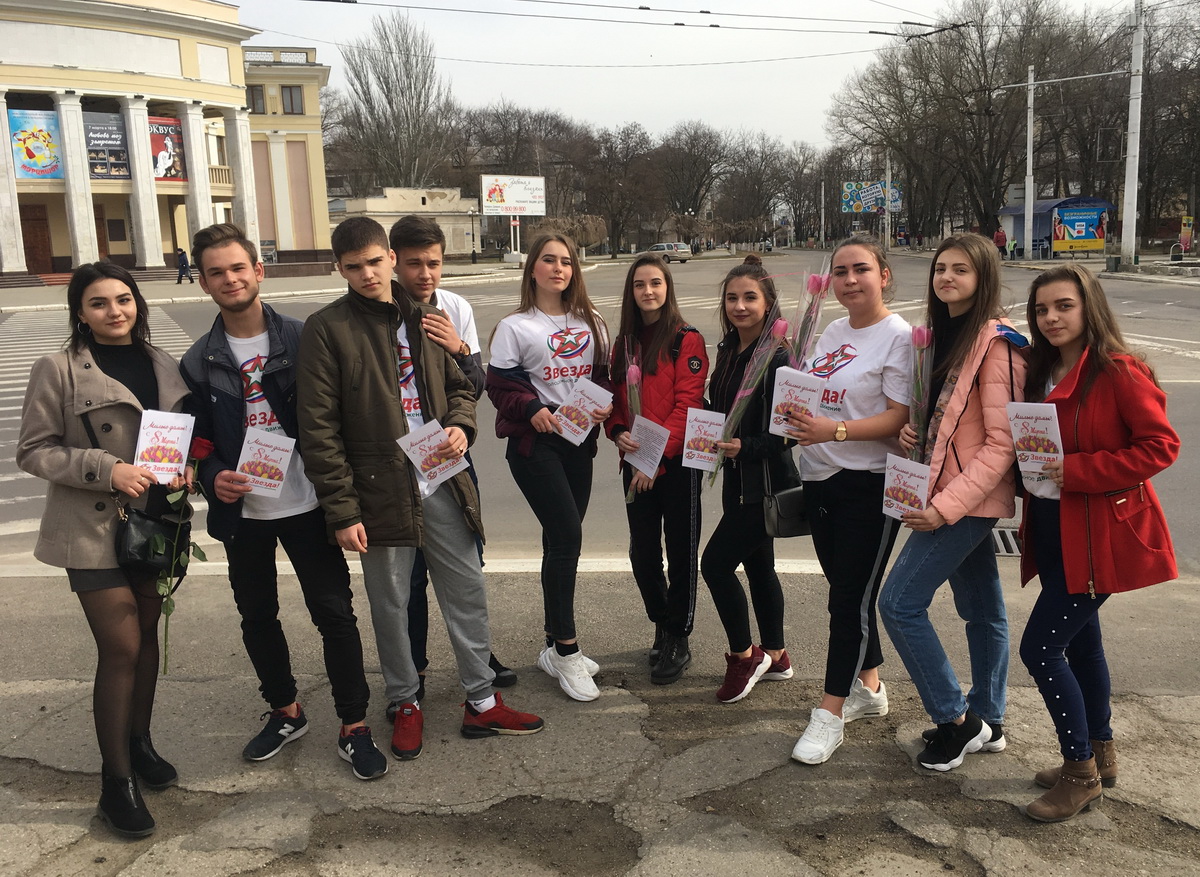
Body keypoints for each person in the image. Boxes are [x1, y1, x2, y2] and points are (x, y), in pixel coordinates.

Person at [298, 217, 543, 764]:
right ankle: (405, 701)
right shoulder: (327, 328)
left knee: (466, 588)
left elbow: (460, 386)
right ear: (340, 269)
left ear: (389, 258)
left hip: (441, 475)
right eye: (354, 266)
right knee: (391, 602)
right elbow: (318, 430)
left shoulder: (425, 315)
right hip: (378, 487)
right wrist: (342, 510)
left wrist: (461, 425)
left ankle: (482, 700)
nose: (367, 274)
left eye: (374, 262)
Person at [179, 223, 387, 781]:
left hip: (310, 501)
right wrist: (213, 475)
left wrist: (347, 499)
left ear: (258, 271)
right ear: (203, 283)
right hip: (244, 511)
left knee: (334, 614)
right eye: (216, 272)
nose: (230, 279)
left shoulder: (303, 338)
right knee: (257, 616)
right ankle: (285, 711)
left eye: (237, 268)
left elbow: (338, 417)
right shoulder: (197, 361)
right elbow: (197, 441)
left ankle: (354, 725)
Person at [18, 263, 190, 837]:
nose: (114, 311)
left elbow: (175, 434)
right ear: (80, 313)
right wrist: (106, 468)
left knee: (147, 640)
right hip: (90, 526)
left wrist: (185, 467)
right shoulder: (59, 369)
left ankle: (139, 742)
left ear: (137, 303)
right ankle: (116, 783)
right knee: (121, 647)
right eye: (99, 303)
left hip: (154, 522)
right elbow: (33, 450)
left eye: (123, 299)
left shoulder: (162, 362)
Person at [1017, 265, 1178, 822]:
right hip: (1052, 527)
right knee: (1082, 646)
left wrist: (1078, 470)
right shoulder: (1042, 370)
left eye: (1064, 306)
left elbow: (1160, 446)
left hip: (1098, 536)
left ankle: (1079, 772)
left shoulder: (1118, 371)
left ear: (1089, 307)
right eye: (1041, 309)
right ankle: (1102, 755)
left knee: (1040, 650)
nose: (1051, 317)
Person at [878, 232, 1028, 771]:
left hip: (963, 502)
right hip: (945, 490)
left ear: (983, 278)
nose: (947, 277)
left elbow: (1002, 445)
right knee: (983, 610)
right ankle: (989, 719)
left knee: (898, 604)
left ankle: (956, 721)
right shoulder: (941, 336)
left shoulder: (997, 345)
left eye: (961, 269)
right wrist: (913, 434)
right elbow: (945, 421)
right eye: (941, 268)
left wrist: (944, 508)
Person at [784, 235, 911, 764]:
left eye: (861, 269)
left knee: (847, 601)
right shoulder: (832, 331)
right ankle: (871, 687)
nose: (850, 280)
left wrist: (833, 430)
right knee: (846, 592)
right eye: (840, 272)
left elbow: (900, 417)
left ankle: (829, 713)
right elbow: (813, 392)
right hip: (820, 479)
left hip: (869, 483)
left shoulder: (899, 337)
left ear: (883, 275)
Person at [387, 215, 517, 703]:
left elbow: (474, 384)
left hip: (446, 453)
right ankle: (414, 669)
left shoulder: (455, 307)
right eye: (414, 263)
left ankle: (478, 659)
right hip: (397, 462)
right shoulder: (381, 312)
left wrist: (458, 348)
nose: (426, 274)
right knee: (410, 575)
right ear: (394, 261)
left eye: (434, 263)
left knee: (466, 564)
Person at [486, 233, 612, 702]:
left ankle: (551, 645)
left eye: (566, 261)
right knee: (567, 538)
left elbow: (603, 377)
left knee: (558, 542)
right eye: (548, 260)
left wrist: (605, 405)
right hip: (535, 445)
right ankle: (567, 650)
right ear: (532, 268)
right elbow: (499, 385)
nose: (558, 268)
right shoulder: (515, 326)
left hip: (579, 442)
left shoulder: (592, 321)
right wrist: (531, 407)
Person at [700, 254, 800, 704]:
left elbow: (790, 431)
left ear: (768, 303)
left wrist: (747, 446)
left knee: (715, 565)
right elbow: (722, 406)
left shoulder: (778, 358)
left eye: (749, 298)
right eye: (732, 298)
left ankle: (745, 656)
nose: (739, 306)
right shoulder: (728, 349)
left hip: (764, 485)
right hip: (735, 479)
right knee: (760, 566)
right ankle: (776, 654)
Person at [606, 255, 708, 684]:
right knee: (643, 555)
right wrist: (616, 432)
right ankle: (663, 621)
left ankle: (678, 637)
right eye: (639, 285)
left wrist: (655, 456)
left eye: (655, 283)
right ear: (631, 292)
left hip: (677, 463)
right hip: (635, 464)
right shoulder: (624, 344)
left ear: (667, 288)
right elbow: (615, 401)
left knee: (681, 552)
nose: (648, 291)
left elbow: (688, 405)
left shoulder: (686, 340)